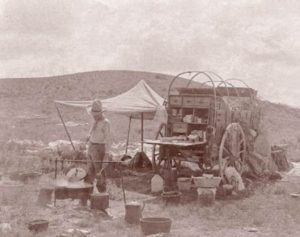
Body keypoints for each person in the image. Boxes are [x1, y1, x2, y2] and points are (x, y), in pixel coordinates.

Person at [85, 99, 111, 193]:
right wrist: (88, 136)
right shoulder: (94, 121)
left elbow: (108, 139)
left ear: (100, 113)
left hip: (100, 148)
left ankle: (102, 196)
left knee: (99, 172)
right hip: (91, 146)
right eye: (93, 115)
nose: (94, 117)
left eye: (96, 115)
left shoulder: (105, 123)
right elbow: (91, 131)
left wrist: (106, 154)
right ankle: (87, 194)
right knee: (89, 171)